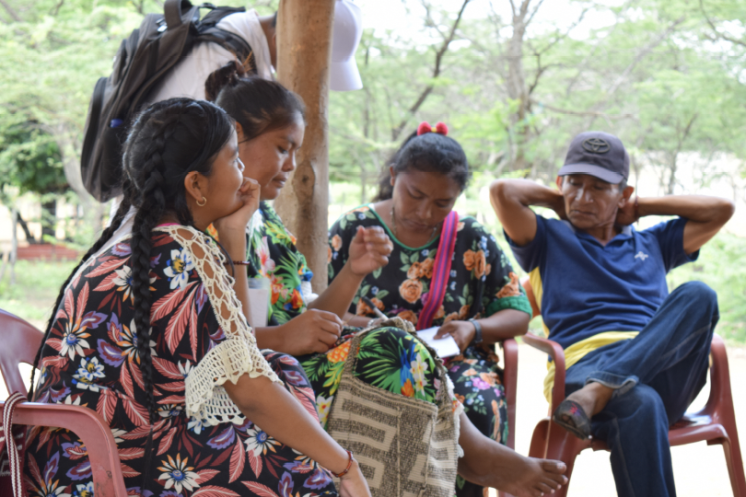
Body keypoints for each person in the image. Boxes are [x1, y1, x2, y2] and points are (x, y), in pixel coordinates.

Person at [209, 68, 568, 497]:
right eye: (283, 148)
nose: (291, 164)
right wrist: (288, 336)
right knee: (396, 348)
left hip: (306, 359)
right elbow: (226, 345)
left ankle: (474, 457)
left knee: (404, 354)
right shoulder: (218, 225)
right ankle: (474, 456)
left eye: (441, 202)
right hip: (272, 373)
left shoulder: (264, 222)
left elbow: (310, 317)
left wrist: (354, 272)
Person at [25, 98, 371, 497]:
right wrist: (345, 466)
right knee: (296, 465)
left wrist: (232, 233)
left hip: (63, 465)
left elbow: (242, 351)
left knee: (282, 373)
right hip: (116, 468)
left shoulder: (133, 244)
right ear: (196, 184)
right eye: (234, 159)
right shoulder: (185, 249)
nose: (244, 175)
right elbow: (251, 388)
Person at [489, 130, 735, 497]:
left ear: (624, 194)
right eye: (574, 183)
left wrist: (643, 207)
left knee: (699, 294)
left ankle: (603, 388)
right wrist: (562, 202)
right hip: (583, 365)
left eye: (600, 188)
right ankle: (607, 387)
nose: (583, 197)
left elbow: (722, 209)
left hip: (657, 368)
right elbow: (502, 192)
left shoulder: (653, 242)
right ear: (560, 184)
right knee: (640, 400)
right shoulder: (547, 239)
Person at [327, 121, 535, 497]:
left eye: (442, 203)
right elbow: (318, 309)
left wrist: (473, 329)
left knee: (478, 404)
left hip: (457, 362)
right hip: (371, 361)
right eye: (415, 195)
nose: (425, 212)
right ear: (393, 177)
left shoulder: (471, 237)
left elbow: (518, 312)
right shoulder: (355, 229)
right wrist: (382, 331)